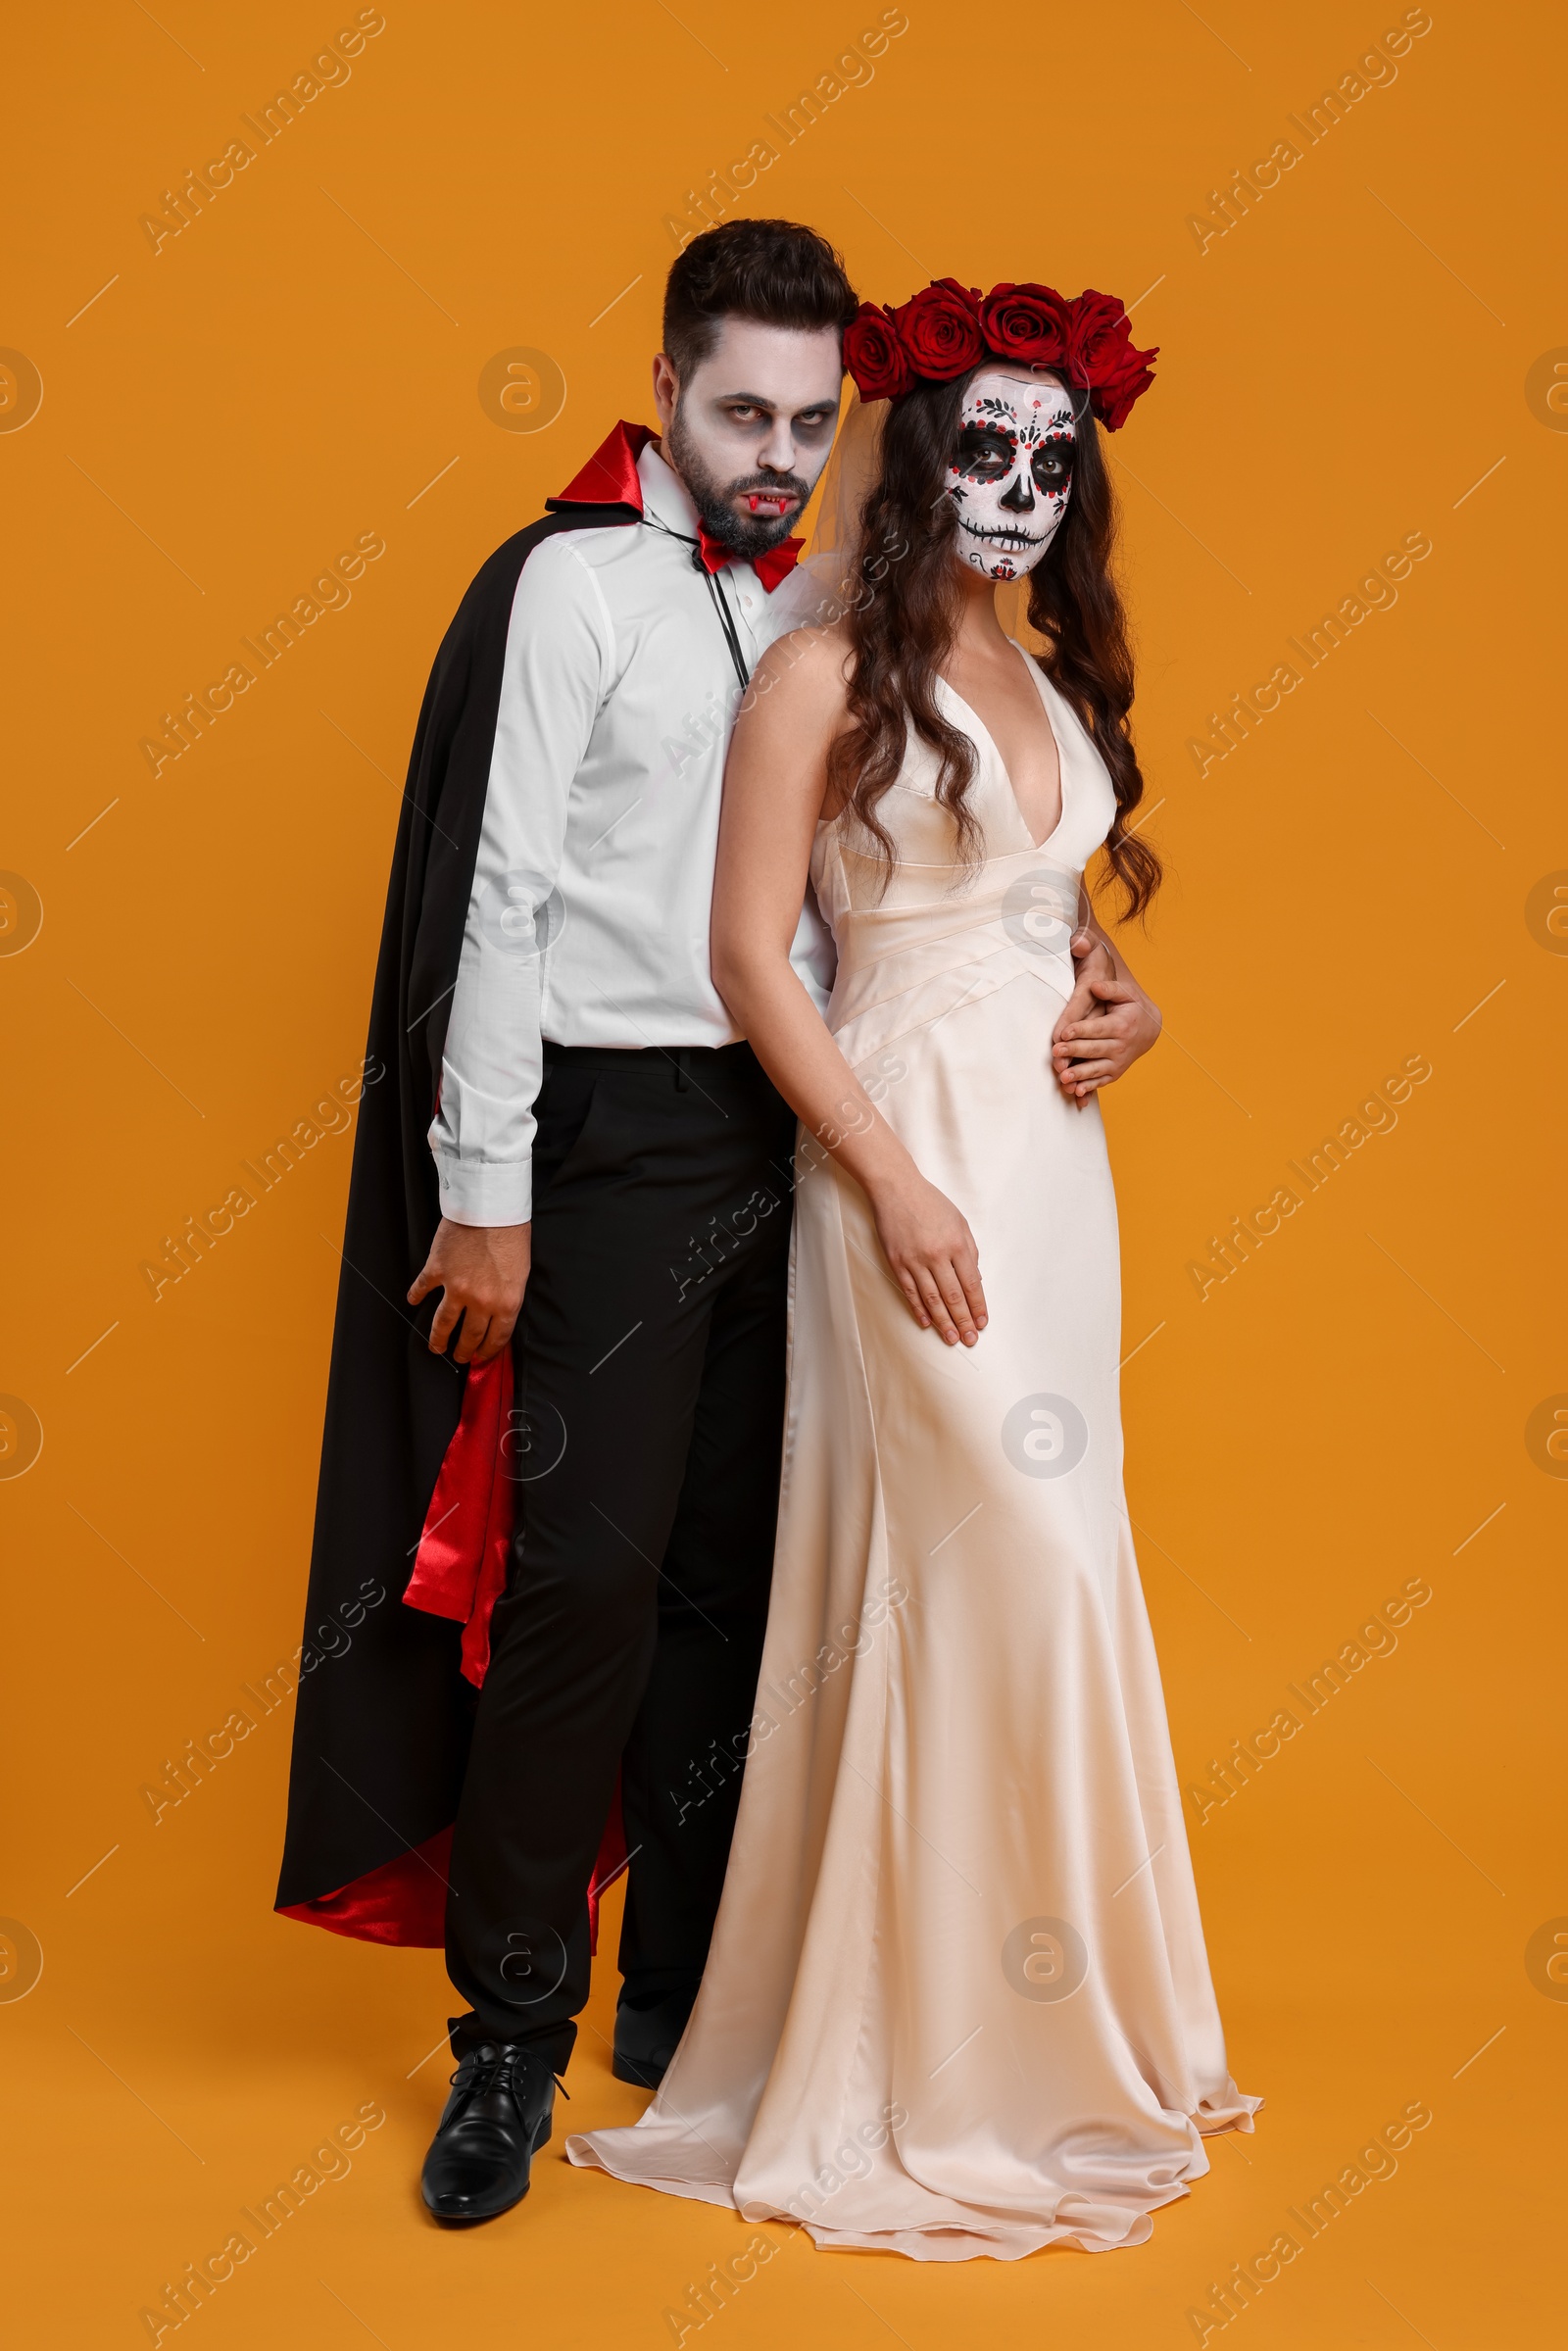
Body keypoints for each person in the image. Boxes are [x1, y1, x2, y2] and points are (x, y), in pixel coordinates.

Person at [568, 277, 1259, 2257]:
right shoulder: (812, 678)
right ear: (915, 455)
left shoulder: (1048, 681)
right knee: (985, 1564)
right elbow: (737, 959)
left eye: (1055, 460)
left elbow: (1047, 922)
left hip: (1050, 1181)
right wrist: (886, 1182)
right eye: (986, 448)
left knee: (1055, 1570)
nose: (1020, 485)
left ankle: (1051, 2031)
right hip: (905, 1168)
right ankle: (924, 2064)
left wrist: (1130, 1010)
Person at [272, 220, 862, 2226]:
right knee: (583, 1589)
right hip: (605, 1142)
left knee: (732, 1580)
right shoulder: (570, 590)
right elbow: (500, 895)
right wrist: (489, 1198)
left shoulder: (829, 603)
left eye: (811, 415)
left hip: (787, 1130)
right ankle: (510, 2032)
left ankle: (683, 2007)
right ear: (669, 386)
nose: (777, 449)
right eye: (742, 410)